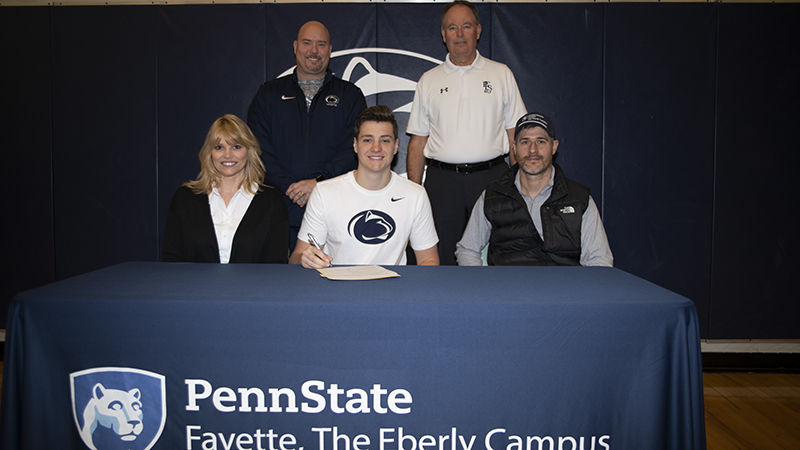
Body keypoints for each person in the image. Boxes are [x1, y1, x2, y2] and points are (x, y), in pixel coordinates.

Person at [406, 0, 527, 265]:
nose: (459, 34)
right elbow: (417, 142)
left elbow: (515, 136)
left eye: (466, 26)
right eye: (452, 27)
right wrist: (412, 194)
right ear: (443, 34)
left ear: (478, 31)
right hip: (442, 182)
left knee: (497, 254)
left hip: (492, 179)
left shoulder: (501, 74)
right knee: (439, 258)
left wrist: (519, 185)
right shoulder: (429, 80)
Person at [247, 20, 367, 251]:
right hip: (279, 209)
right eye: (307, 43)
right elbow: (257, 147)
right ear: (295, 46)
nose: (314, 51)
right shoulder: (269, 94)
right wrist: (289, 186)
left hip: (335, 209)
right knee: (280, 284)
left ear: (330, 50)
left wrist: (319, 184)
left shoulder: (350, 95)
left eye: (321, 44)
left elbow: (354, 149)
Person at [290, 106, 439, 268]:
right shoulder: (324, 192)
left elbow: (428, 261)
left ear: (396, 146)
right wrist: (305, 260)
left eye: (385, 140)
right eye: (367, 140)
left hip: (393, 290)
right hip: (337, 288)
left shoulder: (415, 195)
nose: (376, 148)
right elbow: (297, 257)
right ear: (355, 145)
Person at [455, 112, 613, 266]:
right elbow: (467, 249)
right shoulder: (492, 195)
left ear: (554, 147)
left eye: (541, 141)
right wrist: (484, 286)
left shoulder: (579, 198)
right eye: (524, 142)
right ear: (514, 148)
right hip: (506, 288)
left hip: (564, 289)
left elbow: (599, 259)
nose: (532, 150)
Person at [162, 114, 288, 263]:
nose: (227, 155)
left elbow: (275, 265)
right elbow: (171, 261)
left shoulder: (272, 202)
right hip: (195, 286)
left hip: (252, 287)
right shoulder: (184, 198)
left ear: (249, 151)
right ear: (210, 153)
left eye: (236, 147)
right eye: (219, 147)